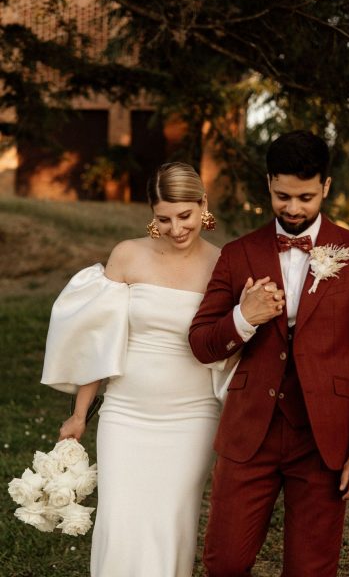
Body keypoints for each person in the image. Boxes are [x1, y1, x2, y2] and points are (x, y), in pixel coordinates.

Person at [189, 130, 349, 577]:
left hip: (325, 439)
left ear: (326, 186)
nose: (294, 208)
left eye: (305, 196)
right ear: (268, 185)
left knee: (311, 569)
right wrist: (244, 317)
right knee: (225, 562)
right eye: (283, 196)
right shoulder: (237, 254)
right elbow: (202, 343)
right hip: (249, 434)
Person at [41, 162, 238, 577]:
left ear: (203, 204)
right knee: (120, 522)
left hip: (192, 416)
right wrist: (79, 415)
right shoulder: (127, 255)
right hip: (126, 413)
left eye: (185, 216)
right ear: (152, 213)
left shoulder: (224, 263)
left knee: (170, 522)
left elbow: (228, 342)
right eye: (163, 219)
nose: (176, 228)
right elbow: (100, 339)